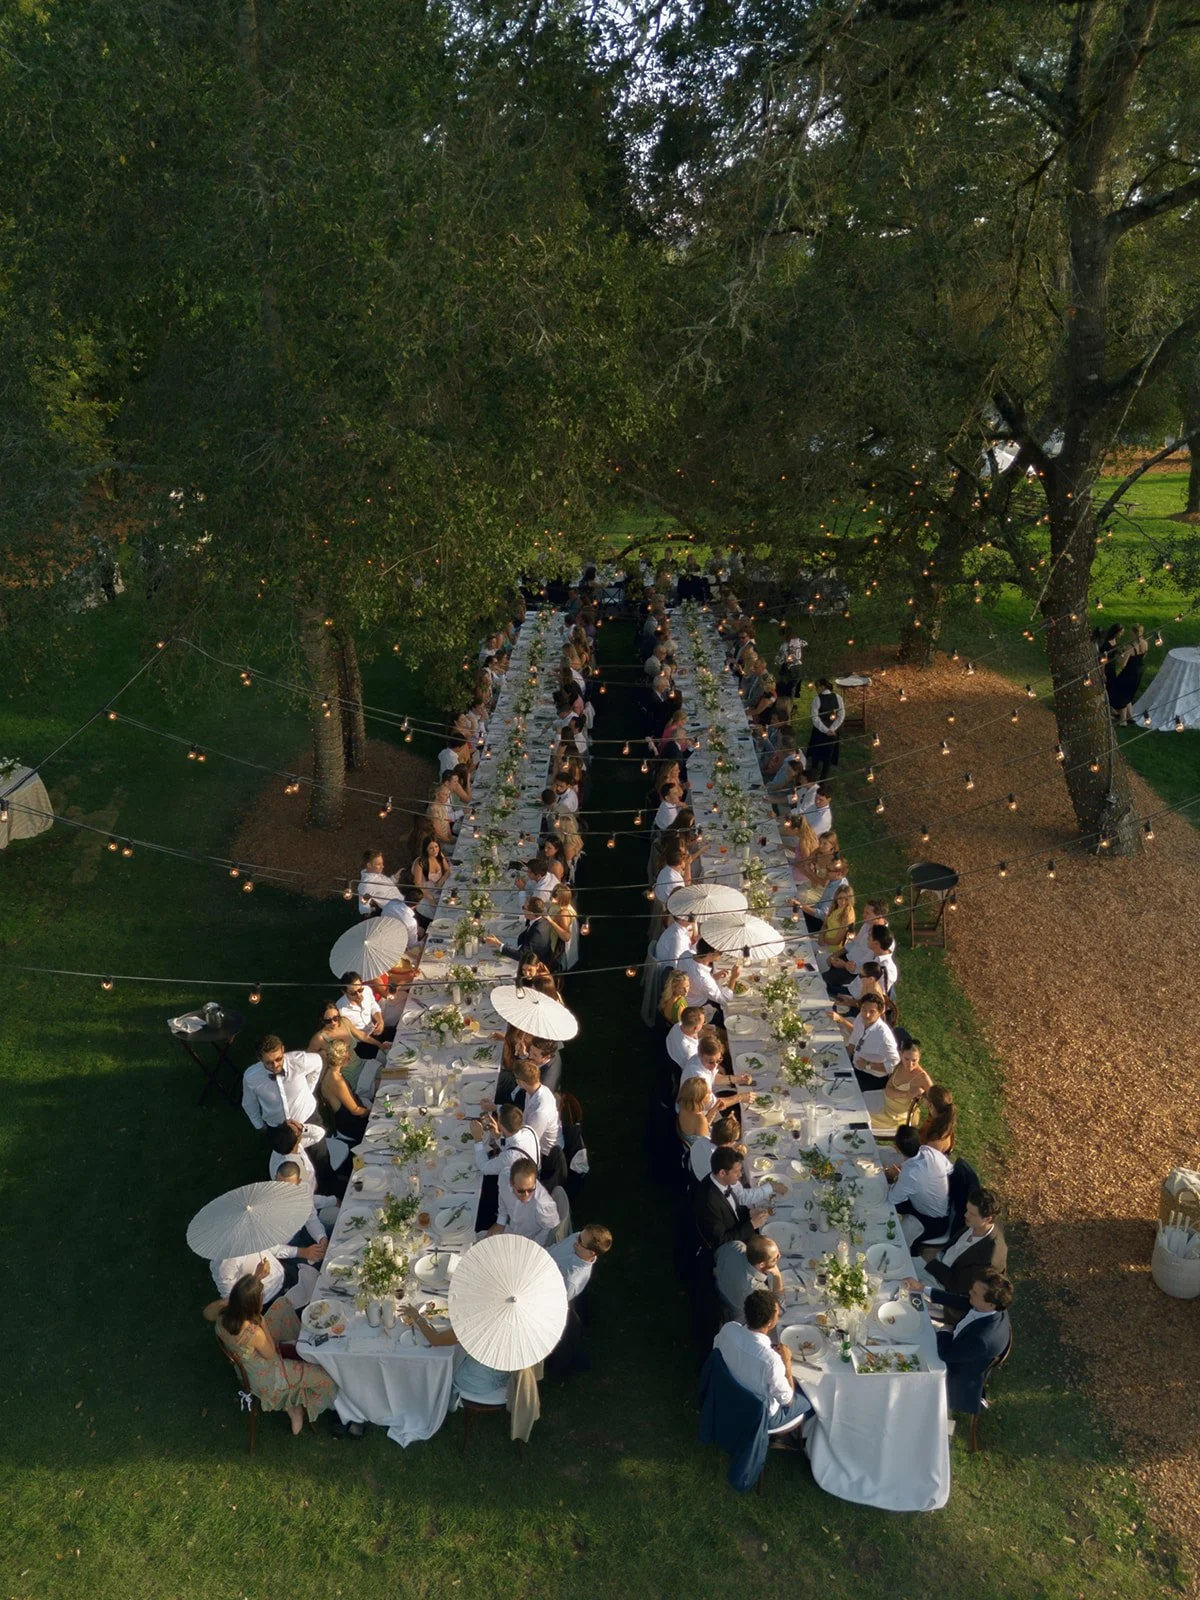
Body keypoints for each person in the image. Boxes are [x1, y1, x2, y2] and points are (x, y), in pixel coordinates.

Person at [204, 1271, 337, 1435]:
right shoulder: (254, 1333)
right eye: (260, 1298)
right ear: (252, 1305)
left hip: (246, 1359)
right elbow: (271, 1354)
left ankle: (300, 1347)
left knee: (282, 1304)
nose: (263, 1299)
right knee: (325, 1377)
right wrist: (264, 1324)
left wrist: (241, 1294)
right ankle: (295, 1403)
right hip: (266, 1375)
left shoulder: (224, 1313)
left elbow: (206, 1313)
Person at [241, 1036, 337, 1192]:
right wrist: (259, 1126)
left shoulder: (300, 1060)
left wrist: (309, 1088)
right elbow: (249, 1103)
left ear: (283, 1050)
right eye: (269, 1063)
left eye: (278, 1059)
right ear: (259, 1059)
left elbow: (318, 1063)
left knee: (321, 1160)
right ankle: (304, 1202)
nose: (275, 1065)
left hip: (308, 1119)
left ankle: (332, 1192)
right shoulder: (251, 1077)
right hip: (278, 1129)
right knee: (289, 1171)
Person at [712, 1289, 812, 1437]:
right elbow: (788, 1400)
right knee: (810, 1402)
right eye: (778, 1313)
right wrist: (787, 1365)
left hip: (729, 1393)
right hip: (760, 1414)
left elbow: (716, 1352)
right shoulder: (771, 1361)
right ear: (771, 1322)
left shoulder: (728, 1329)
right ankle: (803, 1437)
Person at [930, 1270, 1013, 1415]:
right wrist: (923, 1290)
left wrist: (945, 1329)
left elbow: (946, 1354)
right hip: (958, 1345)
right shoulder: (992, 1309)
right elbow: (962, 1300)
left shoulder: (982, 1340)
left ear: (991, 1305)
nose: (970, 1293)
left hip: (954, 1372)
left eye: (974, 1293)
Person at [398, 1306, 511, 1405]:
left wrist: (417, 1317)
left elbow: (435, 1340)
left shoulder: (479, 1321)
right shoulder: (513, 1323)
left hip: (474, 1382)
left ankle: (431, 1396)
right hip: (502, 1376)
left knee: (443, 1359)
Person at [916, 1188, 1007, 1303]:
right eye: (967, 1210)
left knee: (905, 1291)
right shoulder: (976, 1224)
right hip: (937, 1263)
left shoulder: (989, 1256)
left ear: (988, 1219)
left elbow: (958, 1285)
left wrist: (931, 1262)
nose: (965, 1215)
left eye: (972, 1214)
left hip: (943, 1287)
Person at [885, 1124, 953, 1245]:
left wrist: (895, 1177)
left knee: (883, 1199)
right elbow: (949, 1169)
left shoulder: (910, 1174)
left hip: (932, 1220)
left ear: (897, 1148)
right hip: (942, 1202)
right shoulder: (929, 1151)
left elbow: (892, 1199)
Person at [694, 1148, 770, 1253]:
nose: (740, 1175)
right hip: (729, 1249)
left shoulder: (720, 1181)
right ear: (722, 1173)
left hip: (737, 1227)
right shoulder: (709, 1201)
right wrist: (752, 1225)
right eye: (736, 1172)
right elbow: (721, 1240)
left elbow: (733, 1208)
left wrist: (749, 1212)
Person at [831, 992, 899, 1092]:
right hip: (855, 1065)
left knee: (838, 1089)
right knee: (829, 1071)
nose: (866, 1014)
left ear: (880, 1013)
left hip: (871, 1077)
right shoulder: (860, 1018)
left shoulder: (884, 1036)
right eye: (864, 1009)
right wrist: (843, 1058)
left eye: (872, 1011)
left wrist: (868, 1065)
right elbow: (854, 1039)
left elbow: (894, 1064)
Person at [490, 1156, 560, 1244]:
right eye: (521, 1191)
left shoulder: (543, 1205)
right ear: (511, 1183)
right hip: (512, 1229)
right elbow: (502, 1195)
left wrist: (533, 1244)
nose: (526, 1195)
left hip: (530, 1240)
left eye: (531, 1189)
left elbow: (552, 1228)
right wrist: (501, 1221)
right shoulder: (504, 1177)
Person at [715, 1235, 785, 1321]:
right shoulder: (755, 1290)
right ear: (761, 1265)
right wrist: (778, 1276)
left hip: (721, 1289)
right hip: (739, 1317)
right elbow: (778, 1309)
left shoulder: (735, 1245)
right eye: (775, 1258)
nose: (779, 1256)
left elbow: (717, 1255)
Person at [868, 1038, 933, 1129]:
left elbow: (935, 1101)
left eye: (914, 1060)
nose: (910, 1064)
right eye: (907, 1059)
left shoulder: (922, 1077)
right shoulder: (900, 1064)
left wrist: (923, 1095)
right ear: (901, 1054)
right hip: (884, 1101)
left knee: (863, 1116)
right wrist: (906, 1094)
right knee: (858, 1101)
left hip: (896, 1116)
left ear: (919, 1057)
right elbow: (888, 1089)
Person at [318, 1037, 370, 1142]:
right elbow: (355, 1111)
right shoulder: (336, 1081)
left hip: (348, 1119)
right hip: (351, 1126)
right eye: (347, 1053)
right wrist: (372, 1112)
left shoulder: (329, 1071)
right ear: (342, 1058)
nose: (350, 1056)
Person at [484, 897, 558, 969]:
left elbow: (520, 956)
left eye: (524, 908)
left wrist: (498, 944)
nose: (522, 910)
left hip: (536, 966)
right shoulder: (540, 917)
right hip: (525, 946)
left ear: (531, 913)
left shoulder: (538, 932)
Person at [678, 939, 738, 1022]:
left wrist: (713, 977)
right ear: (709, 955)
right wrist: (733, 978)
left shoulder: (685, 954)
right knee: (732, 1014)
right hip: (696, 1006)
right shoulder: (703, 978)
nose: (721, 954)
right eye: (720, 952)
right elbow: (725, 1000)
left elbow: (695, 980)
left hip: (690, 994)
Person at [549, 1225, 613, 1302]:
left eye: (580, 1240)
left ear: (591, 1253)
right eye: (579, 1235)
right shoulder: (579, 1237)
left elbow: (554, 1300)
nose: (576, 1240)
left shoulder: (572, 1282)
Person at [335, 971, 391, 1058]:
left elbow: (373, 1006)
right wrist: (379, 1045)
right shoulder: (341, 1010)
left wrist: (380, 1020)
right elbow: (357, 1034)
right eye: (353, 993)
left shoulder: (367, 990)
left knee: (401, 1035)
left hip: (374, 1032)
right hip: (362, 1043)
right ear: (344, 992)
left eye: (360, 990)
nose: (358, 995)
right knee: (386, 1057)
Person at [1107, 622, 1150, 723]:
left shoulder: (1130, 646)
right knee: (1129, 693)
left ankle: (1123, 720)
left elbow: (1122, 664)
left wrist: (1118, 655)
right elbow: (1143, 656)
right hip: (1139, 671)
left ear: (1134, 633)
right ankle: (1130, 717)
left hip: (1129, 672)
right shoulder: (1145, 643)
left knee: (1119, 691)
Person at [806, 678, 845, 782]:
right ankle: (823, 778)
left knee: (816, 752)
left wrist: (825, 729)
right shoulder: (838, 697)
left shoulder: (817, 700)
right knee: (828, 754)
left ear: (822, 687)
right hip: (833, 731)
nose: (816, 689)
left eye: (817, 687)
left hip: (820, 731)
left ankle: (814, 773)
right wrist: (832, 729)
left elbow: (815, 718)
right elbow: (841, 715)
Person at [411, 835, 450, 928]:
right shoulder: (420, 863)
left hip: (439, 888)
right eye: (431, 848)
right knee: (438, 911)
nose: (435, 850)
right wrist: (429, 897)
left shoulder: (439, 856)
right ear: (426, 849)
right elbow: (417, 884)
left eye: (436, 847)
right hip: (426, 892)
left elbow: (448, 870)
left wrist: (442, 879)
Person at [356, 848, 404, 916]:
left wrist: (395, 878)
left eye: (382, 863)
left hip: (404, 906)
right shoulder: (367, 884)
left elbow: (384, 887)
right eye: (378, 864)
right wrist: (377, 912)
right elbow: (363, 907)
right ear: (369, 865)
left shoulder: (377, 873)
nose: (382, 866)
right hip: (398, 914)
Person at [818, 882, 855, 958]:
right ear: (836, 896)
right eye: (840, 898)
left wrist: (823, 939)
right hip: (823, 940)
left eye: (846, 899)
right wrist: (821, 936)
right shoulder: (835, 906)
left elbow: (836, 941)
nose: (843, 902)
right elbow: (825, 924)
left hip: (832, 949)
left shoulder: (847, 915)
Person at [666, 1005, 706, 1074]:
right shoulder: (690, 1053)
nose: (704, 1024)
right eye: (703, 1023)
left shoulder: (678, 1025)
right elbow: (699, 1070)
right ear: (695, 1028)